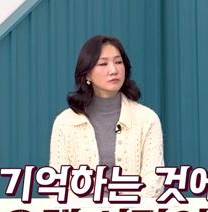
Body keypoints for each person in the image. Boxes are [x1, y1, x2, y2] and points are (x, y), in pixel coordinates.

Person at [50, 35, 164, 198]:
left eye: (118, 62)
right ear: (87, 74)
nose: (113, 70)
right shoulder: (65, 122)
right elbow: (58, 184)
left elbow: (154, 182)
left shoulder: (147, 119)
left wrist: (124, 209)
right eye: (103, 64)